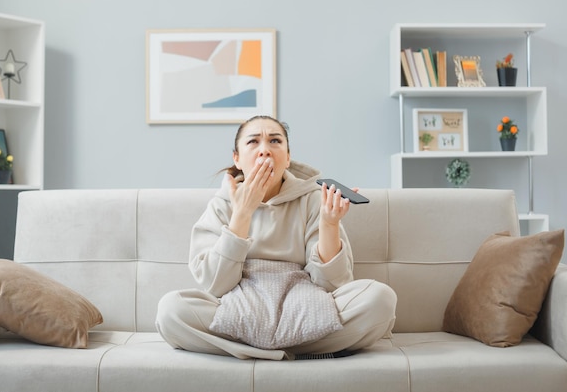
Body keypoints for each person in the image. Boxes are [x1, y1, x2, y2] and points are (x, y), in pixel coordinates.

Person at [156, 115, 396, 360]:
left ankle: (253, 351)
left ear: (288, 157)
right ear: (236, 159)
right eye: (253, 142)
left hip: (305, 308)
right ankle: (297, 351)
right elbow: (215, 285)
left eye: (274, 141)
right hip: (240, 311)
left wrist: (330, 224)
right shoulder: (221, 205)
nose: (265, 151)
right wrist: (242, 214)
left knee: (381, 299)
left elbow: (332, 285)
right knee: (171, 311)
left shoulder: (313, 198)